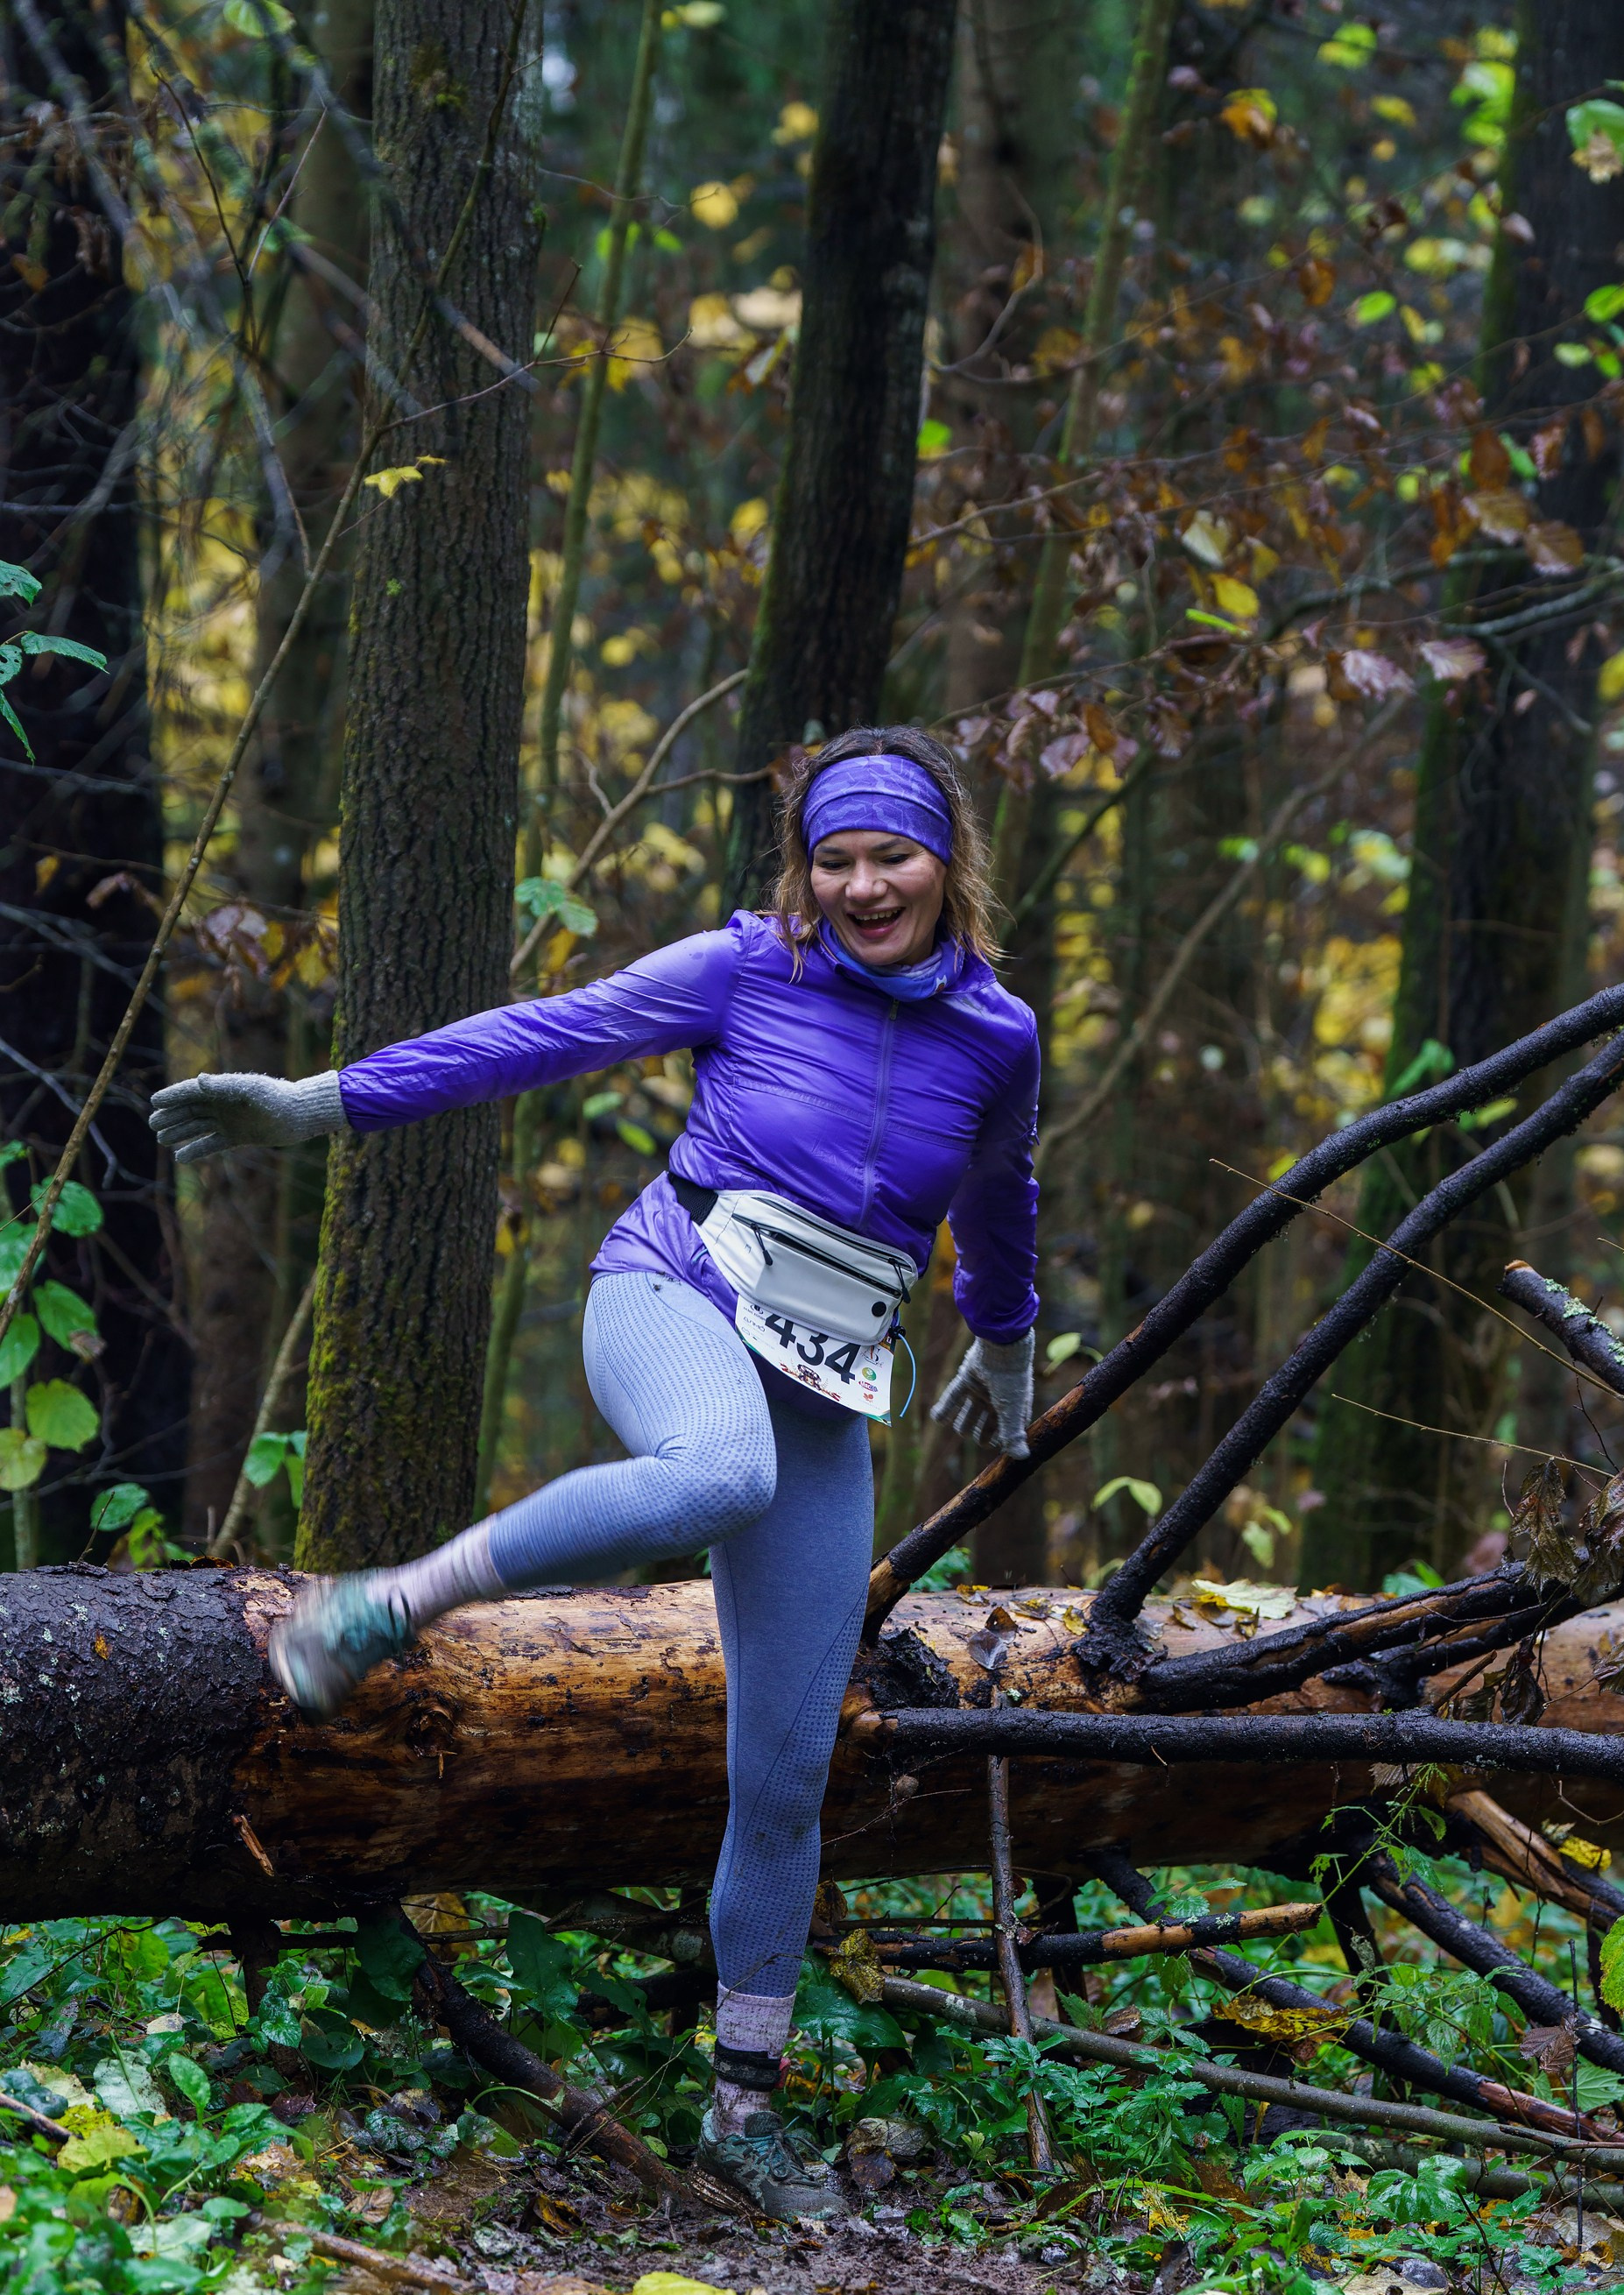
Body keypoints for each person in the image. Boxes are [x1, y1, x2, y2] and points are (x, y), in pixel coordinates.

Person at [152, 724, 1040, 2219]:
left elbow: (1003, 1195)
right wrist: (327, 1102)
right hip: (674, 1291)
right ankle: (396, 1601)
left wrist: (1007, 1350)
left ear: (950, 863)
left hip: (830, 1377)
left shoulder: (996, 1033)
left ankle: (743, 2112)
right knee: (714, 1473)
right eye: (837, 858)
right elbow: (539, 1033)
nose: (866, 884)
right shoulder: (742, 966)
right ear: (801, 870)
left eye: (894, 855)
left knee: (787, 1773)